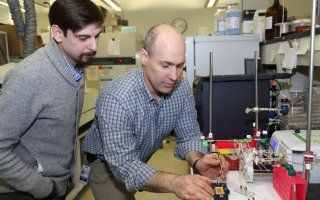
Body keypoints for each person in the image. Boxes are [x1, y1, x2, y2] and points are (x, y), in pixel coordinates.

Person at [82, 24, 229, 200]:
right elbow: (125, 165)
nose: (174, 76)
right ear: (144, 57)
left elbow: (188, 135)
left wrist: (198, 160)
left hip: (138, 159)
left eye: (179, 66)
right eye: (165, 65)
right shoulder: (117, 98)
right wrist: (174, 182)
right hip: (106, 166)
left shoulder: (181, 88)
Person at [0, 0, 104, 199]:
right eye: (84, 37)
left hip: (55, 185)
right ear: (58, 33)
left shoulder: (75, 66)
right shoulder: (30, 77)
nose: (94, 46)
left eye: (97, 36)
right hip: (24, 191)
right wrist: (41, 187)